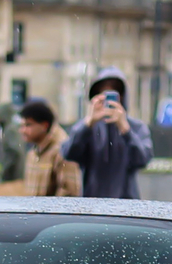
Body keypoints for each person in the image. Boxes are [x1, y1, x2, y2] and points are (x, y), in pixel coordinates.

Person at [63, 68, 154, 198]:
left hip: (126, 203)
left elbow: (142, 160)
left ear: (122, 97)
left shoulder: (135, 127)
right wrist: (88, 123)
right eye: (103, 94)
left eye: (113, 93)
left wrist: (125, 131)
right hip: (93, 203)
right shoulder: (87, 127)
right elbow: (69, 153)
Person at [16, 99, 81, 196]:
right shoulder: (33, 152)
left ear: (44, 126)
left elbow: (69, 192)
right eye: (21, 126)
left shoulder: (62, 151)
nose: (23, 130)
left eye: (28, 125)